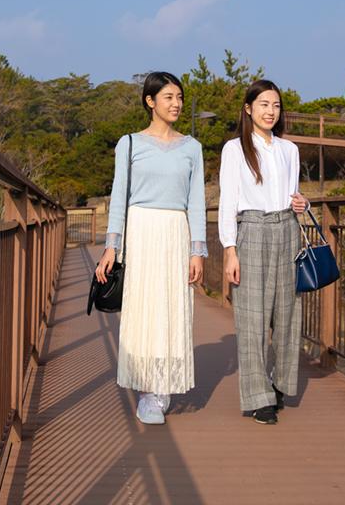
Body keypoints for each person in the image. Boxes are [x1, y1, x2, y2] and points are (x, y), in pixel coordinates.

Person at [95, 71, 207, 425]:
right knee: (143, 308)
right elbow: (118, 199)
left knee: (172, 307)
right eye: (169, 97)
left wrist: (197, 251)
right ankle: (147, 389)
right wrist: (112, 247)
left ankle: (163, 386)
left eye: (179, 98)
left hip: (176, 231)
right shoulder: (129, 144)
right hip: (140, 232)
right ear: (150, 101)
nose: (176, 104)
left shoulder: (192, 147)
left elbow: (197, 202)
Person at [219, 79, 308, 425]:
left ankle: (280, 383)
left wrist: (302, 202)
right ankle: (258, 397)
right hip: (251, 230)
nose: (271, 111)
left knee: (287, 315)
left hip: (287, 229)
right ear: (248, 109)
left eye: (276, 106)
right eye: (264, 105)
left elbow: (293, 194)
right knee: (252, 317)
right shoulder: (235, 149)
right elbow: (228, 202)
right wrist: (230, 250)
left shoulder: (290, 150)